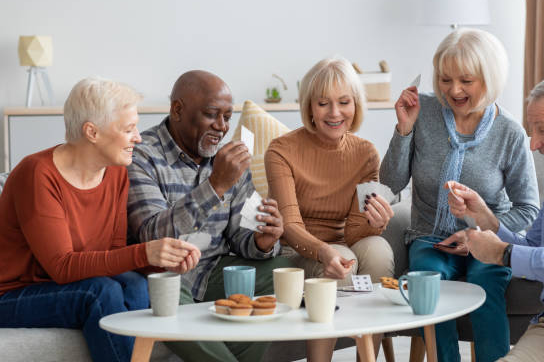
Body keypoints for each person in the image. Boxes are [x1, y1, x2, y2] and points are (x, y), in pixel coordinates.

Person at [0, 77, 201, 362]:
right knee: (99, 293)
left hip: (66, 284)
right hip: (12, 293)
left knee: (135, 285)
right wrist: (144, 251)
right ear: (92, 132)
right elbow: (62, 267)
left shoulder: (116, 172)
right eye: (128, 129)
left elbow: (113, 255)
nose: (139, 137)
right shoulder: (37, 174)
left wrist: (160, 261)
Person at [379, 28, 540, 362]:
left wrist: (477, 233)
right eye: (446, 79)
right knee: (429, 287)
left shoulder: (509, 132)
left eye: (466, 80)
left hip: (488, 240)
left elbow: (528, 210)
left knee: (485, 288)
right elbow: (391, 183)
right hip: (429, 238)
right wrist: (404, 129)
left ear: (489, 77)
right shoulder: (422, 110)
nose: (453, 90)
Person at [442, 74, 544, 361]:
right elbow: (533, 248)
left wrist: (504, 254)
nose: (533, 144)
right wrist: (487, 220)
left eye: (543, 131)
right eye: (532, 132)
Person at [127, 70, 292, 362]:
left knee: (283, 274)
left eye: (228, 117)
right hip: (166, 275)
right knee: (164, 292)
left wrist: (262, 240)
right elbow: (152, 236)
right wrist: (215, 185)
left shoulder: (229, 158)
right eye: (211, 114)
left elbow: (240, 236)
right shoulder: (141, 155)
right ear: (177, 110)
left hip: (214, 271)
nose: (222, 126)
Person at [265, 56, 395, 361]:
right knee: (345, 261)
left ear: (356, 105)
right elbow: (289, 225)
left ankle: (367, 358)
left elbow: (354, 230)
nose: (335, 113)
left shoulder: (365, 153)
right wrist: (326, 252)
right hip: (297, 251)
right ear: (310, 106)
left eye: (344, 102)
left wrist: (375, 223)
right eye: (323, 103)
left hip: (343, 245)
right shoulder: (281, 151)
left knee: (378, 249)